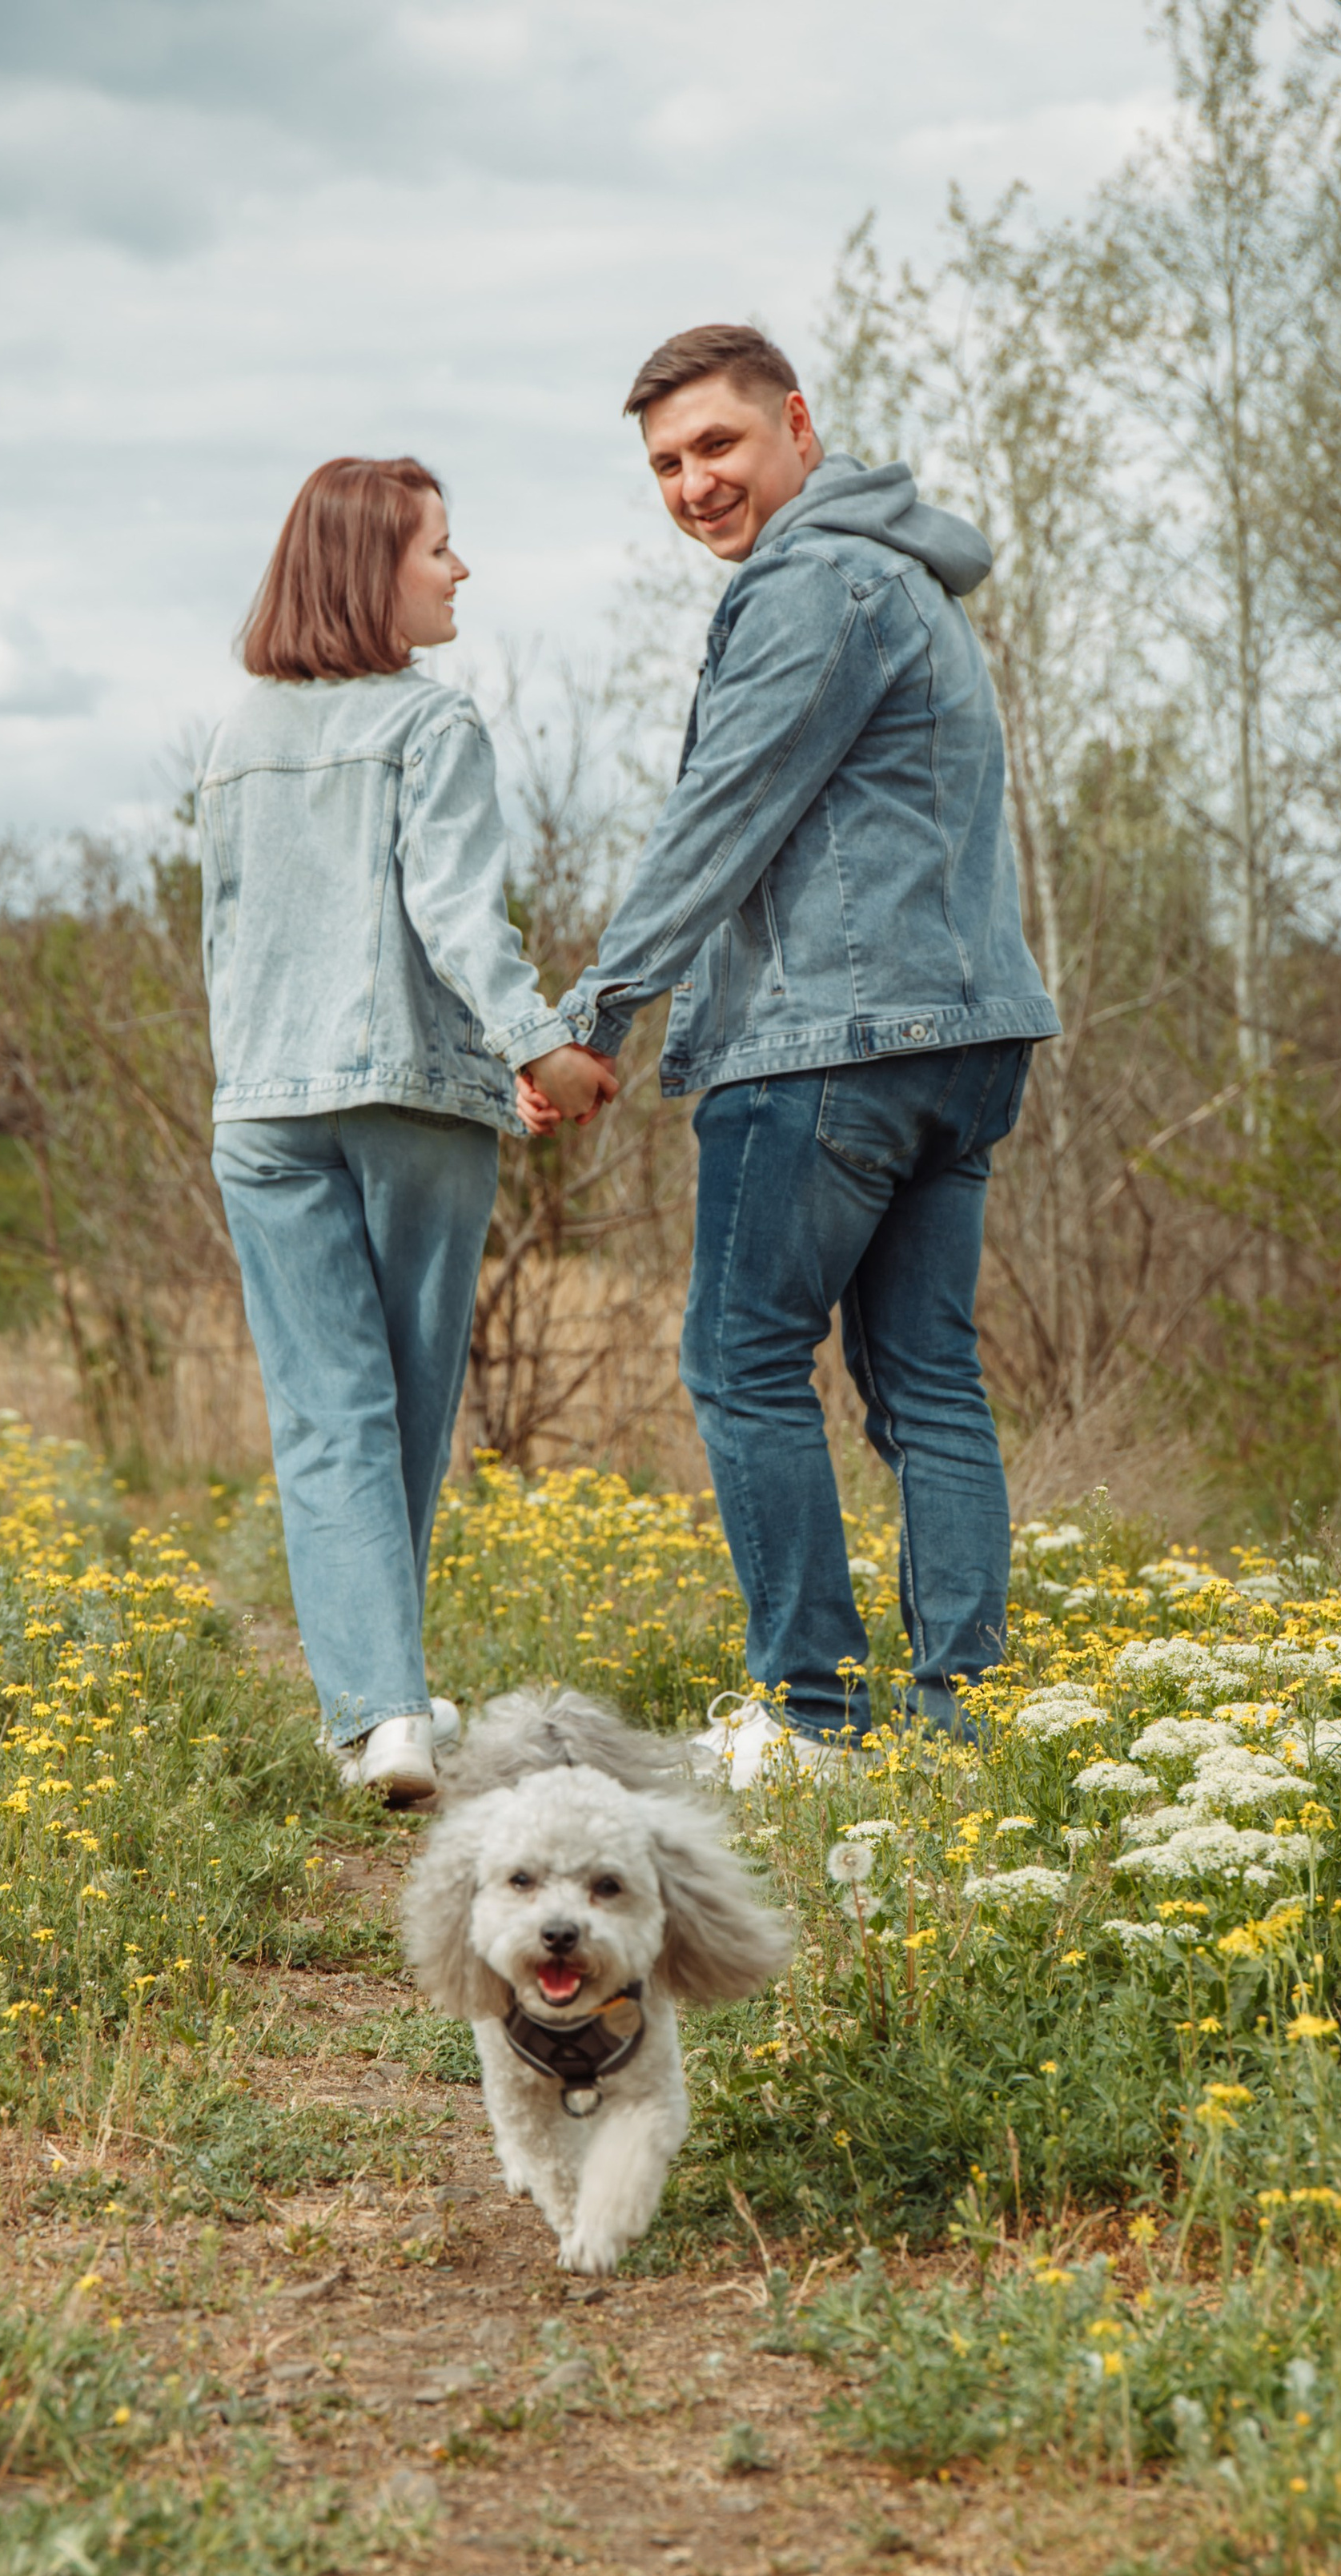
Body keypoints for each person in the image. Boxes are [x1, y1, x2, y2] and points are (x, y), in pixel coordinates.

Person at [520, 326, 1060, 1787]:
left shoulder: (813, 584)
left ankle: (815, 1722)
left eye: (719, 446)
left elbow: (722, 813)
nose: (695, 484)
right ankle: (964, 1724)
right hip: (966, 1039)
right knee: (926, 1379)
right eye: (667, 465)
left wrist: (593, 1016)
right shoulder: (911, 581)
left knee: (743, 1361)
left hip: (836, 1042)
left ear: (798, 425)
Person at [199, 455, 599, 1802]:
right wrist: (534, 1039)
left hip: (262, 1105)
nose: (460, 568)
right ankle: (390, 1710)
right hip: (411, 1097)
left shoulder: (236, 735)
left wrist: (246, 1079)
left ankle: (384, 1712)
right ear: (375, 570)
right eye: (441, 546)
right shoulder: (433, 726)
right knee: (407, 1407)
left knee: (325, 1419)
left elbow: (222, 942)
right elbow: (455, 917)